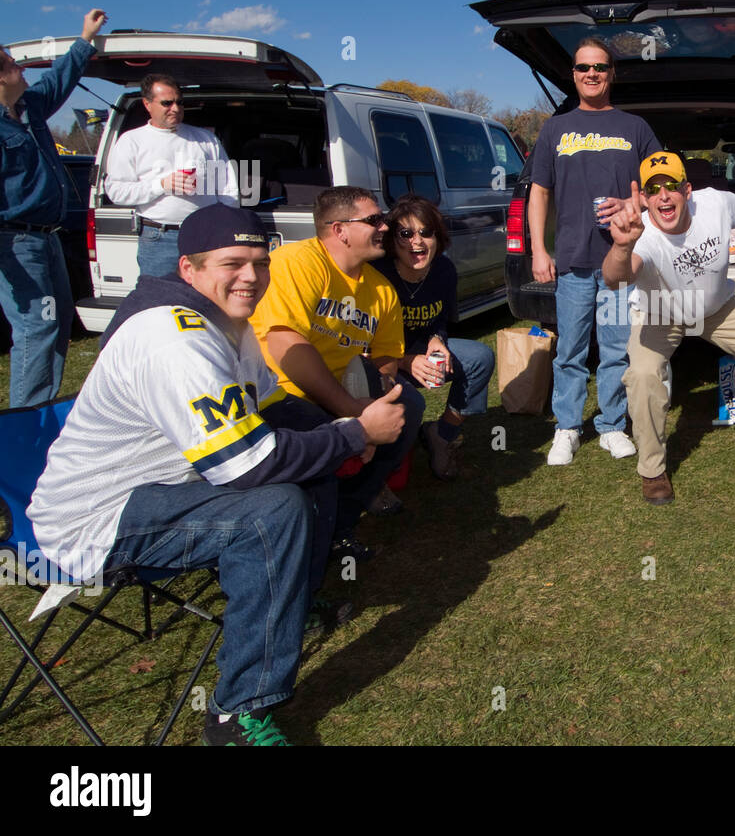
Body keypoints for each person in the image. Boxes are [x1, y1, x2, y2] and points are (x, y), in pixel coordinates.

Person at [26, 204, 408, 745]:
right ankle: (236, 715)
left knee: (314, 472)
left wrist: (342, 429)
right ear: (190, 270)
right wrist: (353, 435)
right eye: (232, 263)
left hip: (171, 489)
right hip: (95, 520)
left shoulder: (226, 322)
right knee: (273, 510)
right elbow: (249, 465)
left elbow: (274, 406)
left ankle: (291, 602)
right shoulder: (173, 338)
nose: (250, 277)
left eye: (260, 262)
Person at [604, 152, 735, 504]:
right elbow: (615, 279)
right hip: (660, 313)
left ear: (687, 190)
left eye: (671, 186)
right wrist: (621, 245)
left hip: (716, 306)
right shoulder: (641, 235)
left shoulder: (715, 204)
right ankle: (653, 469)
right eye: (653, 189)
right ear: (643, 197)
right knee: (643, 378)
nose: (663, 195)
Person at [250, 186, 425, 558]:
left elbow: (385, 358)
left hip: (342, 392)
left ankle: (341, 520)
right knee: (323, 431)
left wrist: (381, 395)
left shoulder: (380, 290)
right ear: (339, 229)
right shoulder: (295, 262)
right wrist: (354, 413)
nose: (385, 226)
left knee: (407, 406)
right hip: (281, 393)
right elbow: (285, 346)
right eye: (374, 220)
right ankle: (312, 537)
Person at [529, 37, 661, 466]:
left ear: (611, 73)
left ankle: (611, 425)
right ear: (573, 74)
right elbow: (539, 193)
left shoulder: (635, 127)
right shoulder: (554, 128)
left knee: (615, 348)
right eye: (584, 67)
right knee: (569, 350)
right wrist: (539, 250)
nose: (592, 74)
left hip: (619, 263)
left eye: (600, 67)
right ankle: (566, 428)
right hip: (571, 260)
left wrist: (632, 203)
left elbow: (661, 186)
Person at [0, 8, 107, 408]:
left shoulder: (29, 108)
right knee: (37, 327)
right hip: (16, 243)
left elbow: (59, 79)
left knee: (59, 324)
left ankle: (42, 408)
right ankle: (26, 420)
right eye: (11, 64)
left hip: (49, 240)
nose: (20, 68)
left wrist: (85, 38)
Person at [372, 194, 495, 479]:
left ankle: (442, 435)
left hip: (419, 350)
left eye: (425, 232)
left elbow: (439, 318)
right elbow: (363, 343)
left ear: (437, 236)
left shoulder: (443, 270)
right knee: (406, 398)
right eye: (405, 233)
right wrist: (404, 361)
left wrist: (437, 339)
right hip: (383, 358)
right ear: (392, 240)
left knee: (480, 357)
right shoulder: (379, 275)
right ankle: (378, 474)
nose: (417, 241)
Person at [104, 73, 240, 280]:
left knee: (206, 301)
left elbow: (227, 188)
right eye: (167, 103)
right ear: (147, 104)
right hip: (159, 238)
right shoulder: (132, 141)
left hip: (204, 237)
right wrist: (161, 185)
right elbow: (117, 192)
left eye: (179, 102)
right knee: (159, 302)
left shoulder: (204, 138)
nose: (175, 109)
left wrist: (224, 225)